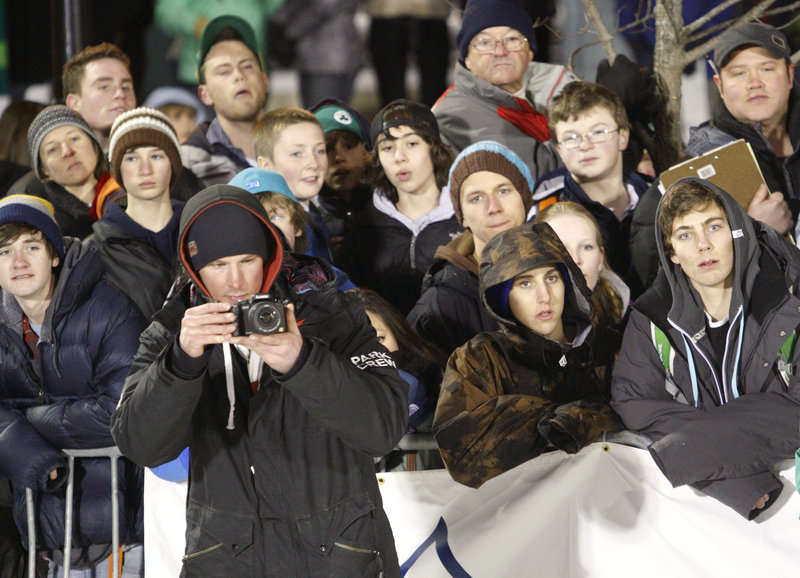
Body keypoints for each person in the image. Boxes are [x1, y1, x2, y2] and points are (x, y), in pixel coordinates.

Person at [111, 184, 407, 576]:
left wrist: (303, 363)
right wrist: (182, 364)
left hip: (339, 556)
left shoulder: (332, 313)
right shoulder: (173, 330)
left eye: (247, 260)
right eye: (218, 265)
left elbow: (383, 428)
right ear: (193, 267)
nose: (235, 281)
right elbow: (141, 445)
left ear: (269, 256)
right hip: (227, 558)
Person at [612, 177, 800, 520]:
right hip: (725, 516)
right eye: (685, 234)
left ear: (736, 231)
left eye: (713, 227)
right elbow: (635, 403)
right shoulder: (651, 318)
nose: (702, 245)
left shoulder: (791, 295)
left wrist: (681, 453)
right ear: (671, 251)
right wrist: (741, 484)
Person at [0, 195, 146, 575]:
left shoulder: (110, 309)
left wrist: (26, 422)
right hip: (43, 531)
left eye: (31, 246)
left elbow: (122, 411)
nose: (18, 262)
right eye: (4, 251)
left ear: (54, 255)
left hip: (123, 528)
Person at [433, 221, 623, 488]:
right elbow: (463, 452)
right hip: (520, 517)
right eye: (525, 283)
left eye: (552, 278)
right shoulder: (481, 357)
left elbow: (643, 412)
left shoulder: (609, 346)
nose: (544, 296)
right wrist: (554, 420)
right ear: (502, 294)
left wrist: (589, 414)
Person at [630, 22, 795, 288]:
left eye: (766, 68)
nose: (754, 83)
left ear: (789, 74)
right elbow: (650, 259)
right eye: (738, 73)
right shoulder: (700, 165)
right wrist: (751, 230)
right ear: (719, 84)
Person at [407, 140, 532, 357]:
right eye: (476, 198)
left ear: (524, 198)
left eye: (503, 191)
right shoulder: (439, 307)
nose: (493, 207)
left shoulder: (562, 268)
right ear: (461, 215)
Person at [336, 99, 462, 315]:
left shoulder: (466, 218)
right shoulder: (364, 227)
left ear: (434, 147)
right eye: (387, 147)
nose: (399, 157)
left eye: (411, 143)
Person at [431, 0, 575, 180]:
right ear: (466, 58)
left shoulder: (561, 85)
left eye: (512, 39)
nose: (499, 51)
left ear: (530, 50)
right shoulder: (453, 114)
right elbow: (527, 174)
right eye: (484, 43)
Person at [533, 81, 651, 293]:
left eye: (598, 132)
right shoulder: (544, 208)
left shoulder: (657, 196)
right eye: (571, 138)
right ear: (559, 149)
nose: (585, 146)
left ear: (623, 137)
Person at [90, 107, 185, 319]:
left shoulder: (201, 229)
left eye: (157, 156)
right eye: (132, 158)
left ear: (173, 163)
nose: (145, 169)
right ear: (117, 168)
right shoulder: (95, 250)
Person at [181, 15, 269, 186]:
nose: (238, 75)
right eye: (224, 71)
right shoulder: (189, 166)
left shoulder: (299, 146)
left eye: (247, 66)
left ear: (265, 81)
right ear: (204, 94)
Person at [23, 105, 122, 238]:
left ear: (94, 145)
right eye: (53, 149)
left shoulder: (128, 189)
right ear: (44, 170)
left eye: (74, 139)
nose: (67, 151)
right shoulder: (43, 223)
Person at [253, 107, 334, 262]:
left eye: (320, 151)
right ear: (266, 165)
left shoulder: (315, 213)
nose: (313, 163)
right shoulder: (271, 231)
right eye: (296, 154)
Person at [535, 201, 629, 330]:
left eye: (586, 247)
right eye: (560, 248)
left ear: (600, 259)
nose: (575, 259)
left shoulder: (630, 320)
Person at [153, 0, 283, 87]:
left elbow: (275, 6)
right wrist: (196, 24)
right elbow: (167, 11)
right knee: (208, 127)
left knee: (254, 126)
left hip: (252, 70)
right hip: (203, 76)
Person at [310, 99, 373, 248]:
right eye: (327, 149)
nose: (339, 157)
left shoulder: (389, 210)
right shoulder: (308, 225)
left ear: (366, 151)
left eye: (348, 146)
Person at [62, 43, 137, 152]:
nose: (121, 94)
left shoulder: (158, 161)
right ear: (74, 103)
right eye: (104, 87)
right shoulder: (63, 165)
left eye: (126, 88)